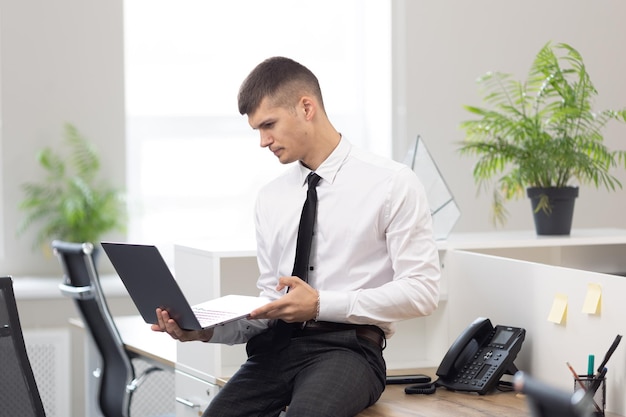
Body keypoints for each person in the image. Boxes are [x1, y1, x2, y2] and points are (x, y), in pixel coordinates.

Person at [152, 56, 440, 417]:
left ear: (306, 107)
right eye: (256, 129)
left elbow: (423, 292)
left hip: (349, 351)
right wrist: (203, 331)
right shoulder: (270, 198)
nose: (262, 141)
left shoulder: (391, 183)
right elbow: (270, 306)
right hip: (274, 350)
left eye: (269, 124)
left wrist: (321, 304)